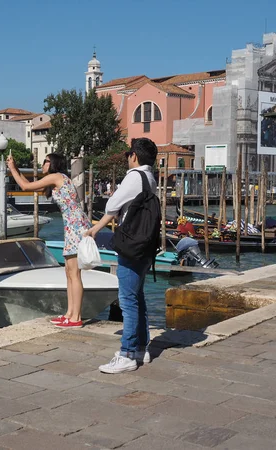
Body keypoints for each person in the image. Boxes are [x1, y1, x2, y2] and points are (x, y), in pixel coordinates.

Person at [85, 138, 158, 373]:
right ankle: (140, 348)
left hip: (131, 245)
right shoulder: (151, 179)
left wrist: (97, 226)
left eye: (128, 153)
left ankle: (127, 354)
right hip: (146, 247)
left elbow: (112, 205)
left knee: (127, 300)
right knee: (138, 298)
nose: (127, 157)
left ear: (134, 156)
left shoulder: (134, 176)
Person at [7, 153, 91, 328]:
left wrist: (13, 169)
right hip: (73, 226)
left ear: (53, 164)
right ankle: (69, 314)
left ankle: (76, 317)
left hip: (76, 226)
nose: (43, 164)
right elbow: (30, 186)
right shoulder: (56, 180)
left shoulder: (56, 177)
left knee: (74, 273)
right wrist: (15, 168)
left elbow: (24, 186)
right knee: (69, 272)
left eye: (45, 161)